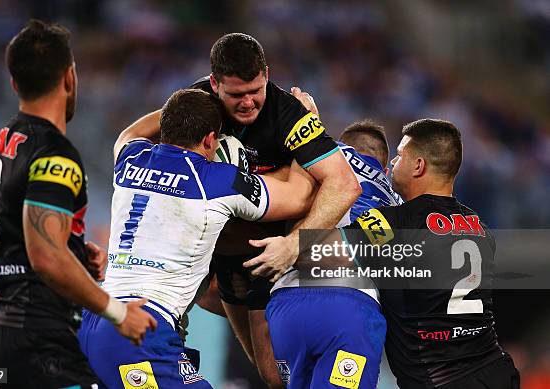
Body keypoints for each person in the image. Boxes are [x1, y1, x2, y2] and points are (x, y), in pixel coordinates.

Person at [116, 32, 361, 387]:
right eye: (235, 95)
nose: (248, 103)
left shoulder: (290, 114)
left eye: (255, 90)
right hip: (208, 254)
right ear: (215, 84)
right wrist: (172, 110)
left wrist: (293, 244)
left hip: (264, 257)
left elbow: (344, 184)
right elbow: (130, 136)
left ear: (266, 74)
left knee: (274, 376)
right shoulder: (196, 104)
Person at [78, 88, 320, 389]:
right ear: (209, 140)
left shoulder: (131, 157)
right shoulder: (218, 179)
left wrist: (195, 102)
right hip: (140, 328)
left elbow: (131, 132)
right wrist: (308, 124)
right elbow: (301, 196)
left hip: (96, 319)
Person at [0, 20, 157, 388]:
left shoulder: (4, 140)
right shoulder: (56, 154)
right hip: (40, 348)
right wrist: (118, 313)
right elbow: (44, 256)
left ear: (14, 83)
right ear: (69, 77)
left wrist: (69, 248)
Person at [335, 119, 519, 388]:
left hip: (439, 379)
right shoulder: (480, 227)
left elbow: (321, 249)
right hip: (496, 370)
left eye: (400, 155)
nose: (393, 164)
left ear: (418, 166)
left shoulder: (392, 224)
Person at [266, 120, 403, 389]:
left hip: (286, 304)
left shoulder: (319, 159)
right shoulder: (396, 200)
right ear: (385, 169)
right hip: (348, 307)